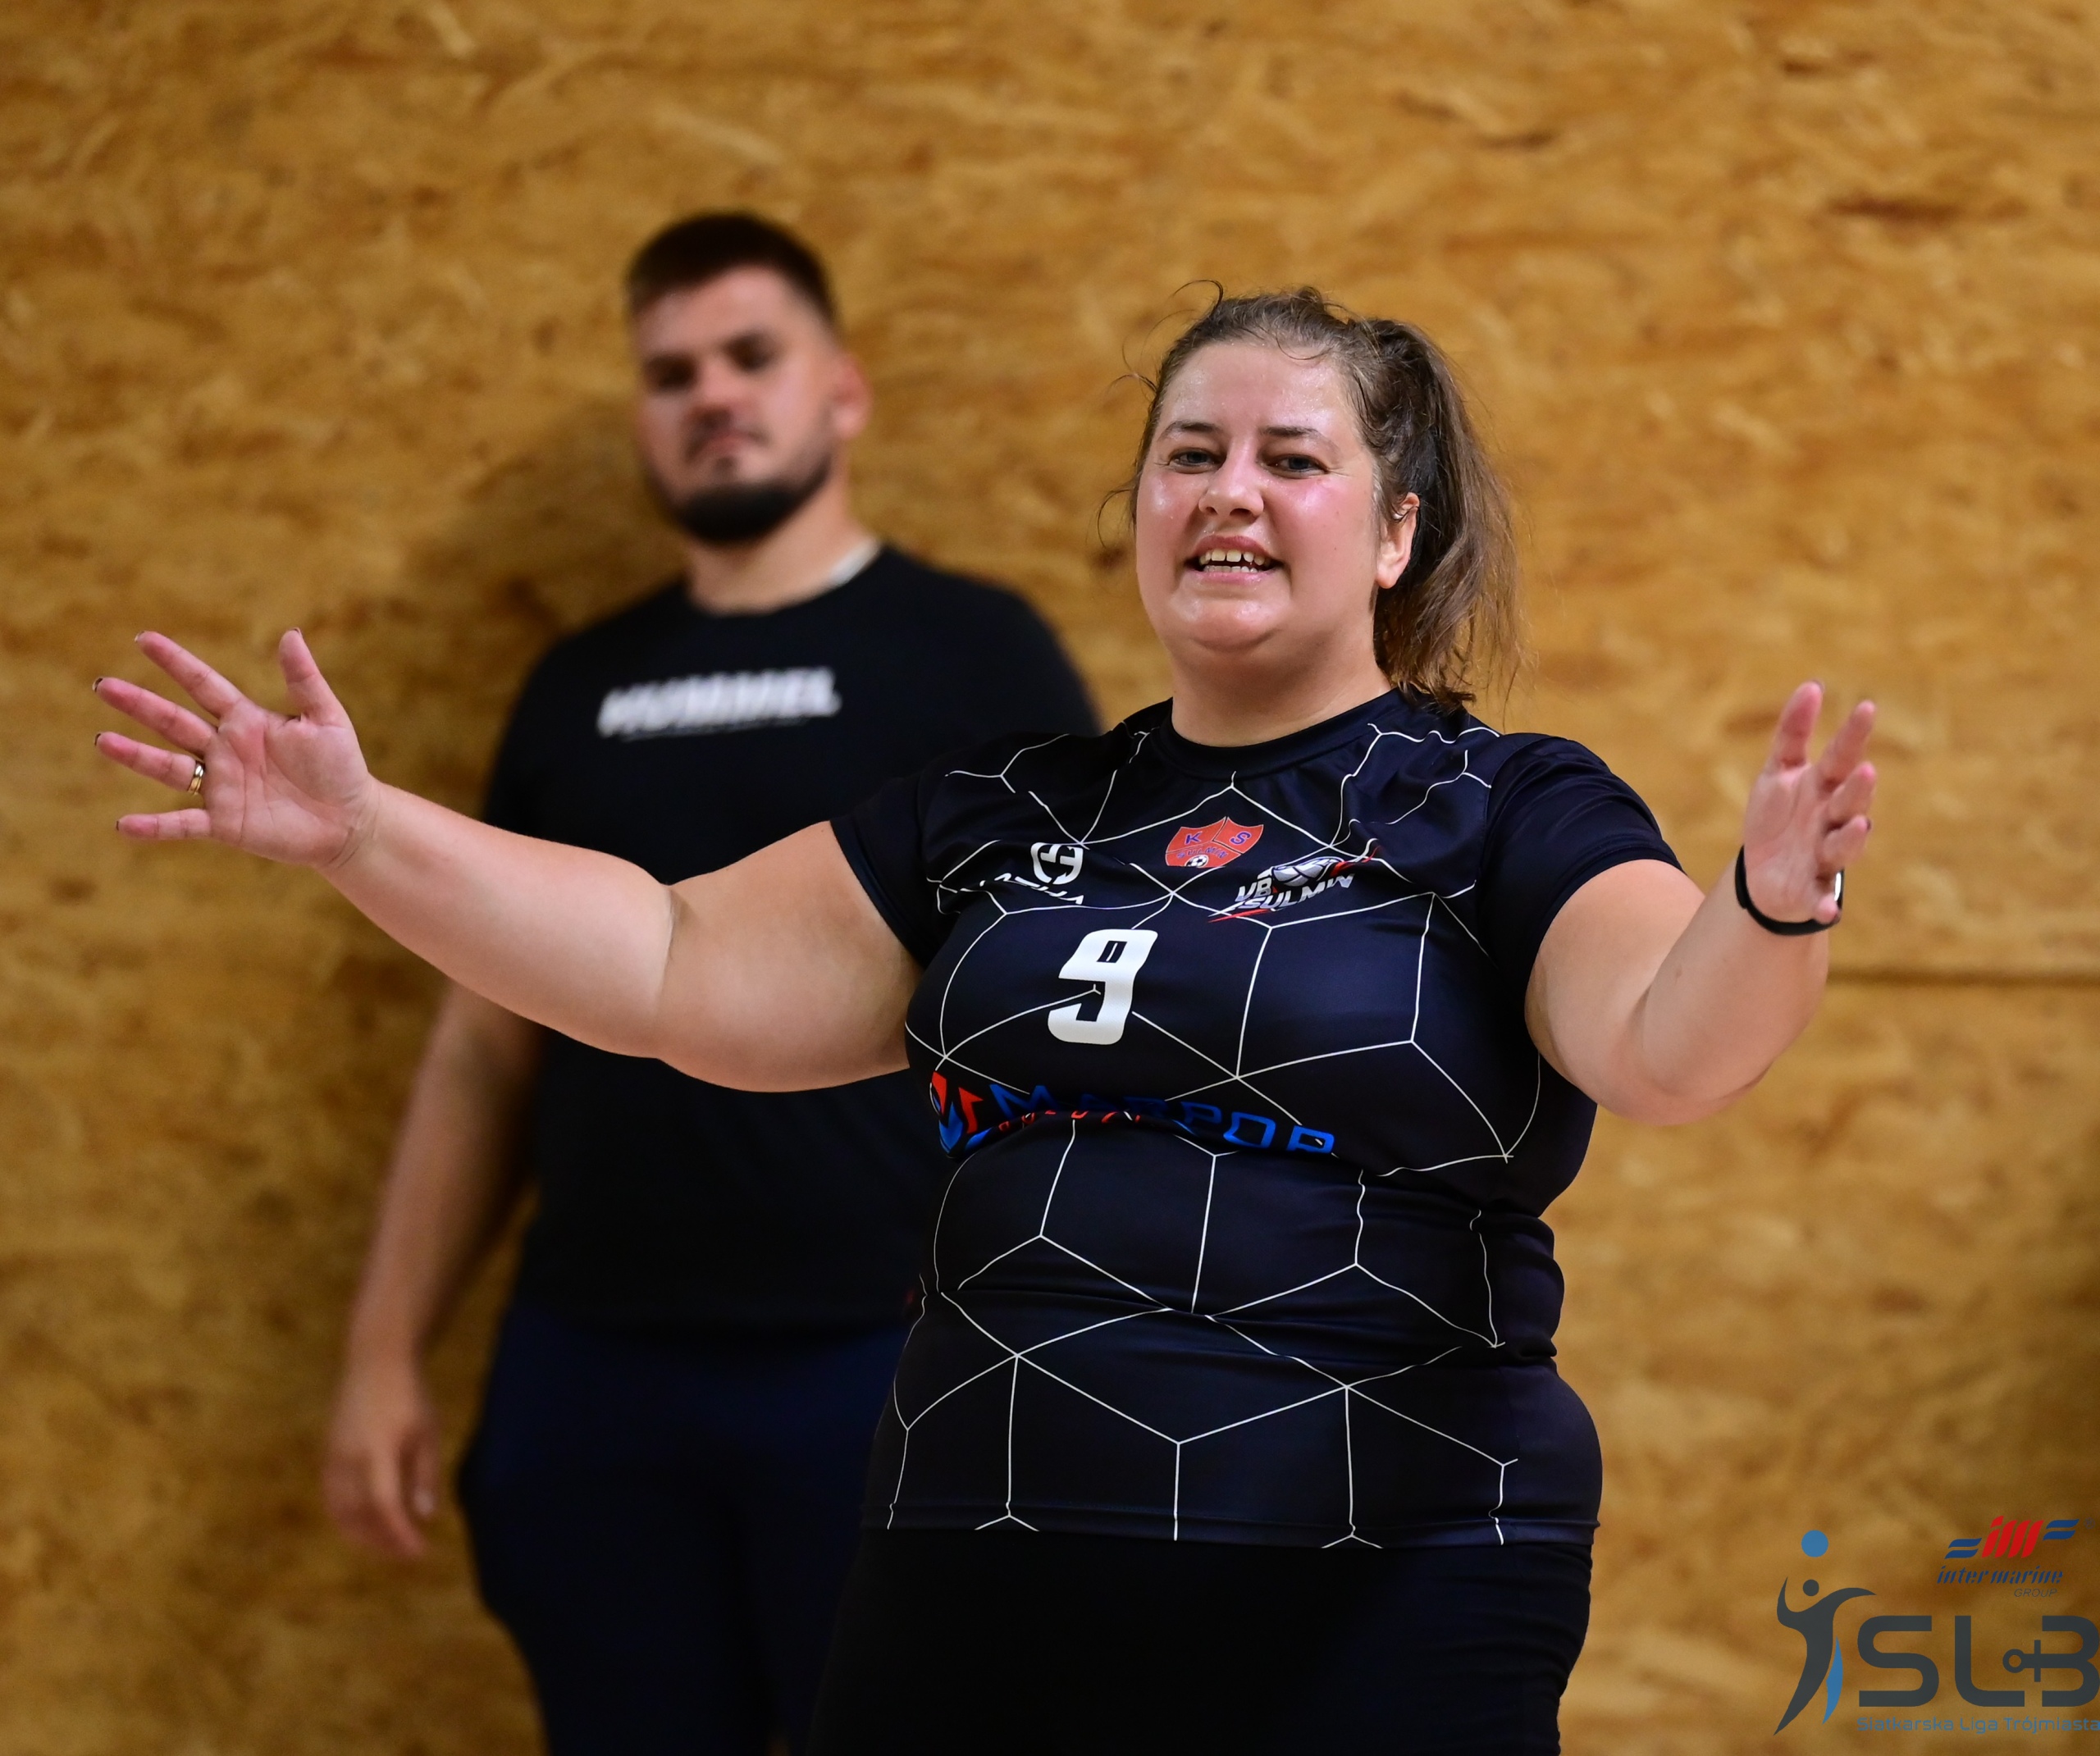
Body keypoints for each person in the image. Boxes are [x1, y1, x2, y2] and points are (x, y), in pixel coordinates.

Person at [94, 286, 1876, 1754]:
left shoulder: (1498, 803)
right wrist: (362, 832)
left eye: (1291, 459)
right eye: (1188, 454)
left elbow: (1665, 1043)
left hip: (1377, 1571)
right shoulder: (1003, 811)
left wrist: (1772, 901)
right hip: (976, 1568)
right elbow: (665, 962)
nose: (1228, 492)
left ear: (1397, 530)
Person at [308, 212, 1093, 1756]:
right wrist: (384, 1349)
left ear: (843, 389)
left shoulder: (972, 656)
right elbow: (483, 1046)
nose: (712, 395)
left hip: (887, 1355)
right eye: (671, 373)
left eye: (751, 356)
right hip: (598, 1368)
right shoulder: (577, 689)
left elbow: (1081, 1015)